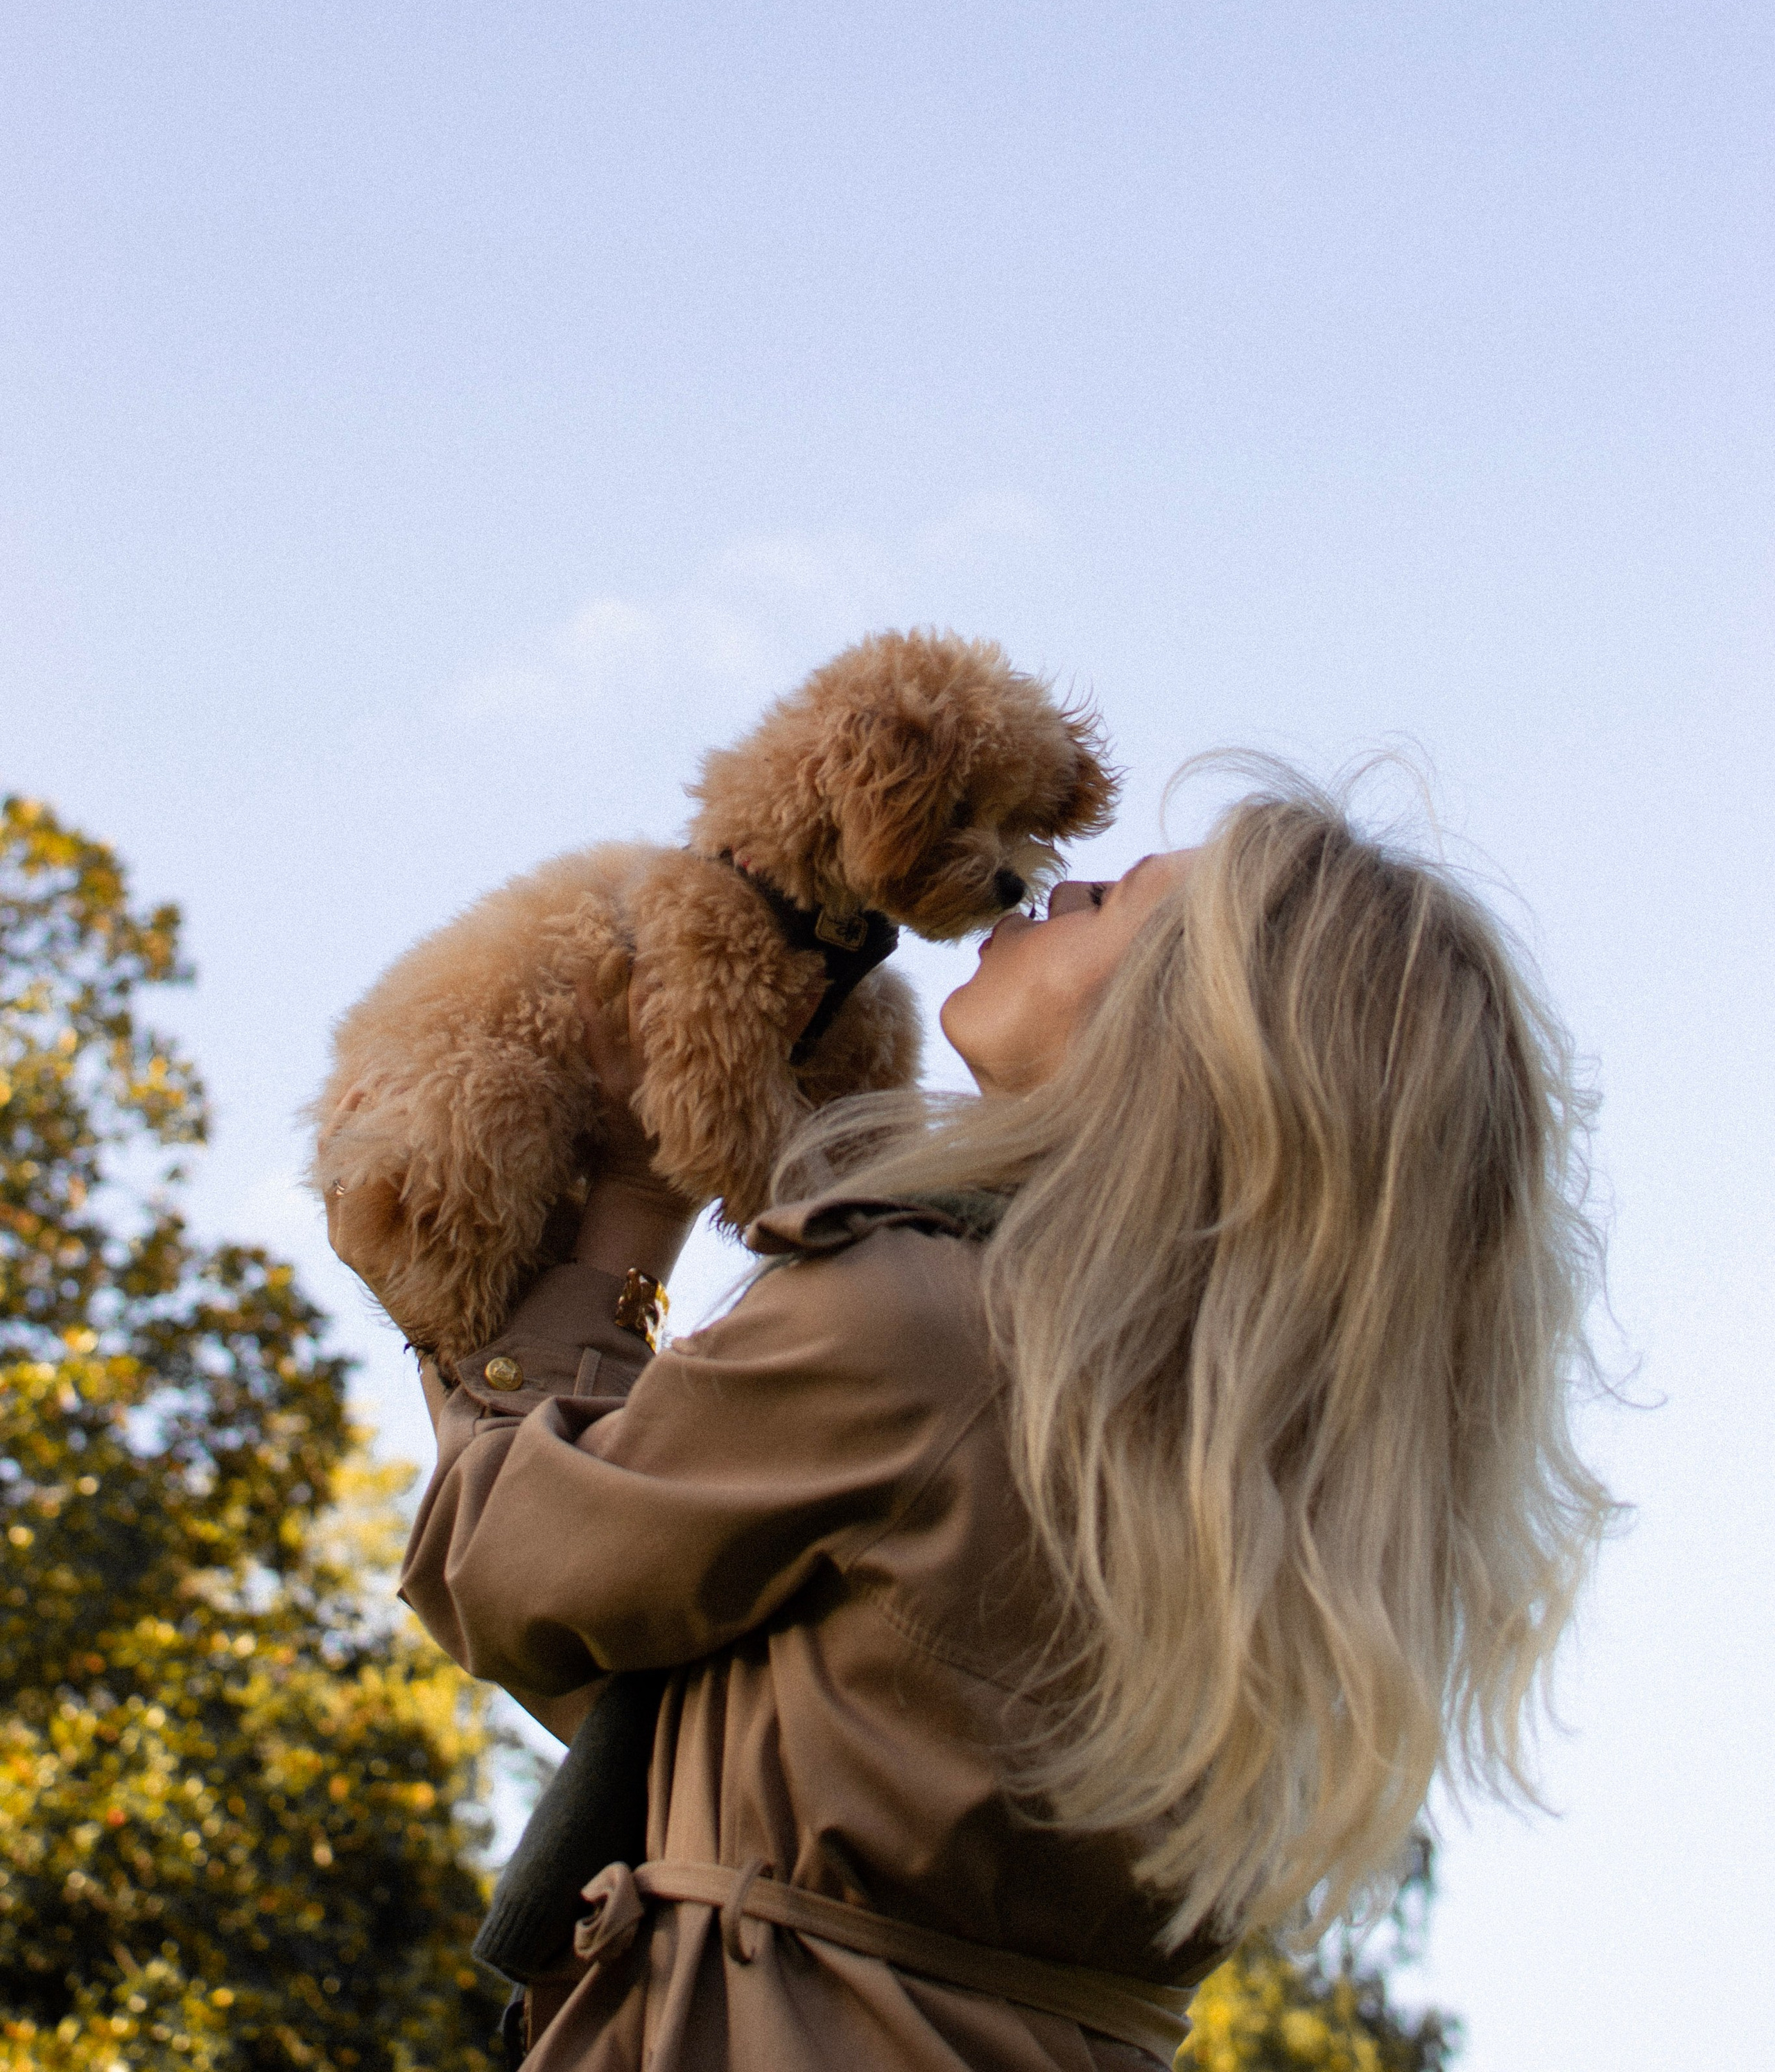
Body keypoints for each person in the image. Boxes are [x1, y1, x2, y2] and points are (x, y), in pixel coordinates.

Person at [327, 776, 1611, 2072]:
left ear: (1198, 1029)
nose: (1054, 886)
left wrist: (617, 1219)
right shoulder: (1256, 1502)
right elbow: (731, 1724)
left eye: (1108, 898)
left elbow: (515, 1567)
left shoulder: (920, 1325)